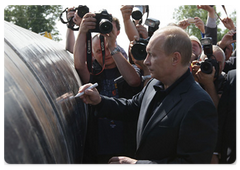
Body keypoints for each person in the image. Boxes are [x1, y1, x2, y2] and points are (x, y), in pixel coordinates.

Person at [78, 26, 218, 164]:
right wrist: (99, 101)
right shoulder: (153, 85)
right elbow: (130, 108)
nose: (146, 61)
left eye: (153, 55)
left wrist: (138, 165)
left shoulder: (199, 104)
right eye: (147, 54)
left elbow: (191, 164)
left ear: (175, 58)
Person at [73, 12, 142, 164]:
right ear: (93, 55)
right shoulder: (94, 72)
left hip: (127, 142)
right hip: (99, 145)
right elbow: (78, 64)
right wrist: (83, 31)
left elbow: (134, 81)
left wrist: (112, 46)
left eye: (107, 49)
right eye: (99, 51)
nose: (105, 54)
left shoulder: (126, 66)